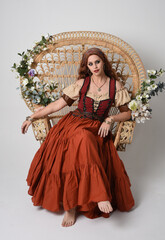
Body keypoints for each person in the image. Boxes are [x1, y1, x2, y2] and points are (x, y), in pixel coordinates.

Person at [21, 47, 135, 227]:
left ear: (103, 61)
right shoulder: (82, 83)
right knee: (80, 138)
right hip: (73, 124)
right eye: (90, 64)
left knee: (85, 140)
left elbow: (127, 113)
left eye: (97, 62)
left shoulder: (115, 86)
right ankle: (86, 201)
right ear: (87, 66)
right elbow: (58, 105)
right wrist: (32, 117)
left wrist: (110, 119)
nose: (94, 66)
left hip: (97, 128)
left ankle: (74, 204)